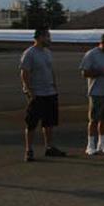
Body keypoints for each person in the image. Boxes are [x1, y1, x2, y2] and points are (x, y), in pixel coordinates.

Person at [20, 26, 67, 161]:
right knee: (31, 123)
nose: (49, 39)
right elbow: (24, 73)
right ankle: (29, 149)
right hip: (37, 93)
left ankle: (49, 147)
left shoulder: (47, 52)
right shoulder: (29, 53)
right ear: (40, 37)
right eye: (47, 36)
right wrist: (29, 91)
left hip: (50, 92)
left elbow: (50, 70)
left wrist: (54, 86)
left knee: (49, 122)